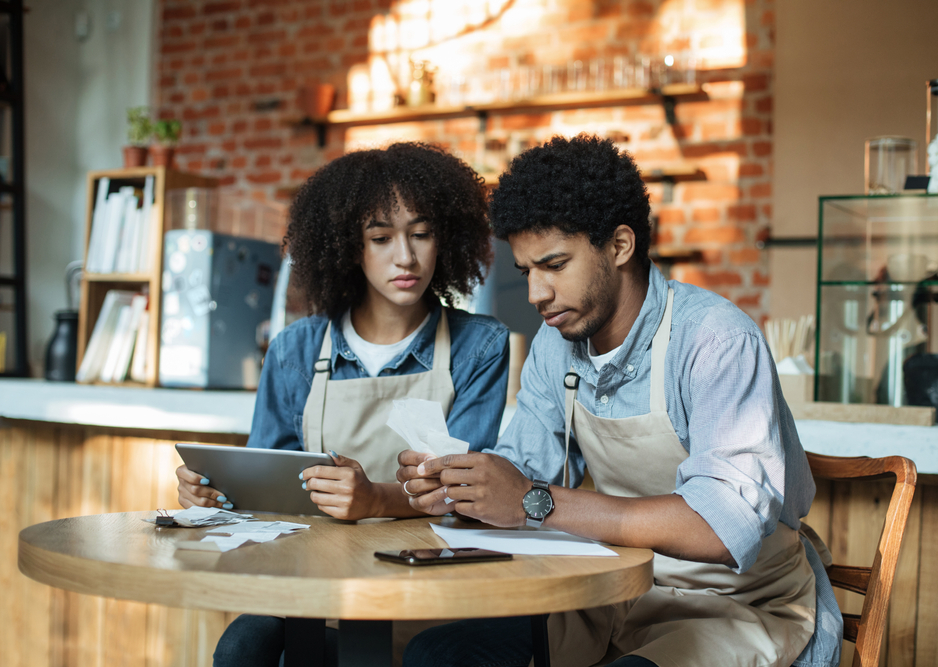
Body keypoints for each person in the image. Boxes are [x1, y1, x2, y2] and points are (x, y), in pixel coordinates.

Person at [398, 135, 843, 667]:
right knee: (438, 655)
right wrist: (462, 487)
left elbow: (724, 528)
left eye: (555, 265)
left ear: (620, 245)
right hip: (610, 595)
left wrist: (531, 501)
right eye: (526, 271)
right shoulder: (553, 345)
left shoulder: (716, 340)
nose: (536, 293)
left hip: (735, 604)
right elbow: (524, 470)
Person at [175, 142, 510, 666]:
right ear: (350, 248)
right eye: (381, 238)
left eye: (422, 234)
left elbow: (468, 493)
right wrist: (216, 495)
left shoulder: (480, 345)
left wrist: (376, 498)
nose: (407, 256)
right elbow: (267, 490)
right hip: (319, 585)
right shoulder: (296, 350)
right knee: (244, 644)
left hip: (434, 588)